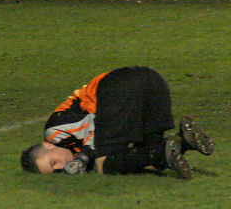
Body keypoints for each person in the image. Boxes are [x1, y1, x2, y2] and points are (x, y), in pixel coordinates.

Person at [20, 66, 214, 179]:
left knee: (104, 165)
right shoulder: (70, 149)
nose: (61, 167)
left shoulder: (54, 132)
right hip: (153, 81)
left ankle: (161, 151)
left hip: (120, 86)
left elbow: (94, 128)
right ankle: (183, 142)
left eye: (53, 162)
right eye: (55, 171)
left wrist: (84, 157)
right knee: (147, 162)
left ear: (47, 145)